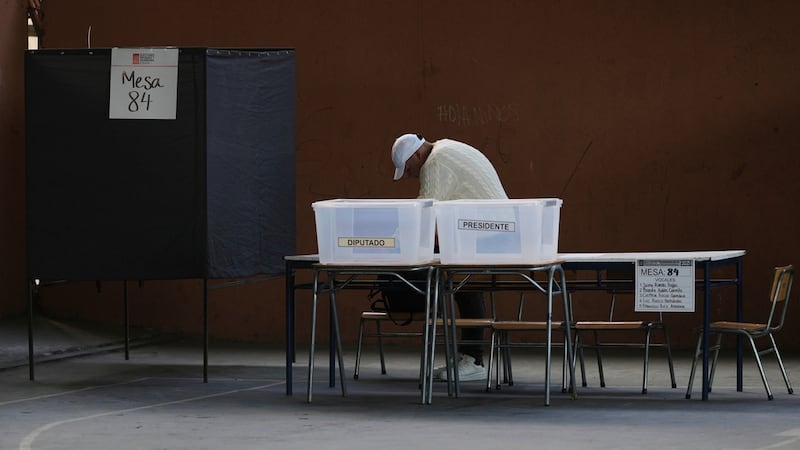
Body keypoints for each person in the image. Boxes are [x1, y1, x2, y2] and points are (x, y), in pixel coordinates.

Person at [390, 133, 509, 382]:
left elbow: (424, 211)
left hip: (490, 232)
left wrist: (393, 239)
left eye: (410, 170)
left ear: (417, 155)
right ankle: (469, 356)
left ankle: (474, 360)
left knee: (463, 280)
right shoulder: (447, 148)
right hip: (497, 229)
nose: (411, 176)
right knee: (462, 280)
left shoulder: (435, 162)